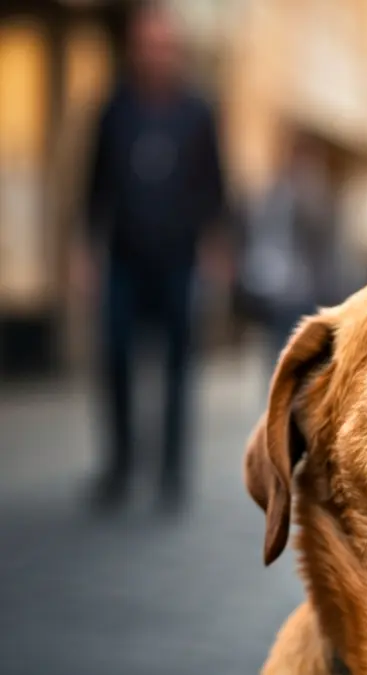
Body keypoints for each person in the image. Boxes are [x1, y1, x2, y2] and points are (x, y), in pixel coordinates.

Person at [79, 1, 227, 511]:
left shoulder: (198, 112)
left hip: (178, 260)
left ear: (176, 51)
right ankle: (120, 464)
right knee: (116, 356)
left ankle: (171, 472)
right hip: (123, 257)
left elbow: (215, 187)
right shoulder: (113, 109)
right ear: (134, 49)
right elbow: (94, 185)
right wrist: (86, 252)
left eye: (164, 45)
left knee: (178, 366)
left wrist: (215, 249)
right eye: (147, 45)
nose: (156, 54)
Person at [238, 128, 343, 367]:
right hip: (275, 289)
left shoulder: (315, 194)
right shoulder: (276, 190)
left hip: (303, 290)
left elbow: (324, 244)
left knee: (297, 354)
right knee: (277, 351)